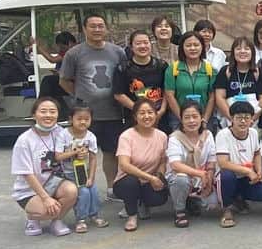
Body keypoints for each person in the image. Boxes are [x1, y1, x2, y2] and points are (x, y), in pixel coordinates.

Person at [59, 13, 127, 199]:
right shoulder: (74, 53)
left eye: (100, 26)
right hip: (84, 115)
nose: (97, 29)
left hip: (112, 112)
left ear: (106, 28)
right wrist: (80, 97)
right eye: (93, 26)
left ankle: (112, 188)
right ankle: (82, 189)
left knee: (111, 152)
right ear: (84, 29)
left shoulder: (118, 52)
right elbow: (64, 80)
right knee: (81, 152)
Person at [11, 97, 79, 237]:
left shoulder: (61, 133)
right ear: (34, 114)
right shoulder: (24, 140)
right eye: (43, 111)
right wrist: (46, 198)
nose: (48, 115)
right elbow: (27, 174)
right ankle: (32, 218)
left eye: (52, 111)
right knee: (45, 210)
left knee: (72, 191)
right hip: (30, 190)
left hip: (55, 183)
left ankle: (57, 221)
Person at [114, 99, 169, 232]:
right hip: (126, 180)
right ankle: (132, 215)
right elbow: (124, 165)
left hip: (149, 181)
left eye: (150, 112)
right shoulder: (127, 136)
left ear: (156, 114)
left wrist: (159, 176)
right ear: (135, 116)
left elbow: (163, 161)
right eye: (142, 113)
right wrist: (150, 178)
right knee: (131, 183)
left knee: (160, 197)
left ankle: (140, 203)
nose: (146, 116)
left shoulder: (162, 136)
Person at [215, 101, 262, 225]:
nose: (243, 121)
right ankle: (226, 209)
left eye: (246, 118)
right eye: (239, 118)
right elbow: (223, 163)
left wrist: (259, 170)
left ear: (252, 119)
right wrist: (248, 171)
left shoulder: (253, 133)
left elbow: (257, 153)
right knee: (227, 176)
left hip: (245, 177)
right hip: (229, 176)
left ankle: (238, 198)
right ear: (232, 119)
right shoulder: (223, 135)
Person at [166, 101, 216, 228]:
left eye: (195, 116)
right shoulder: (175, 138)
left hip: (201, 176)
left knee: (214, 201)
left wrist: (209, 177)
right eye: (187, 117)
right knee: (181, 180)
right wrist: (200, 174)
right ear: (181, 119)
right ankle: (180, 211)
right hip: (179, 176)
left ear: (201, 118)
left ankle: (193, 200)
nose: (191, 121)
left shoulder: (208, 135)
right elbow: (175, 165)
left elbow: (211, 160)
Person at [62, 104, 108, 233]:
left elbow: (93, 158)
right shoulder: (63, 134)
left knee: (94, 191)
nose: (83, 122)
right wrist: (74, 153)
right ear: (71, 119)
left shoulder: (91, 136)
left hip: (84, 171)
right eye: (79, 119)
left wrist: (91, 177)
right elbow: (58, 156)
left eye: (87, 119)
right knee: (83, 193)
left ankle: (94, 215)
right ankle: (81, 219)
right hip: (68, 172)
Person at [112, 30, 168, 130]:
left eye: (146, 42)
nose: (142, 46)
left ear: (151, 44)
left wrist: (161, 111)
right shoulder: (123, 68)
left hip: (159, 117)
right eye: (138, 43)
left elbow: (168, 90)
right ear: (131, 47)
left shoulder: (162, 66)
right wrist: (140, 111)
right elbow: (118, 94)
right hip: (134, 118)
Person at [164, 31, 215, 130]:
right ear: (182, 48)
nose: (192, 48)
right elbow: (169, 95)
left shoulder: (210, 70)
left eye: (196, 45)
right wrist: (183, 119)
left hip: (204, 118)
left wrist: (204, 119)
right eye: (188, 45)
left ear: (202, 47)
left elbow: (212, 97)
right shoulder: (173, 69)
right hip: (178, 119)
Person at [213, 37, 262, 128]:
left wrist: (251, 120)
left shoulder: (260, 72)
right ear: (233, 52)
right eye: (238, 49)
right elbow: (220, 97)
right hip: (230, 122)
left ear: (252, 52)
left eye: (247, 49)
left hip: (254, 123)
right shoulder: (225, 71)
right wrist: (232, 119)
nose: (242, 51)